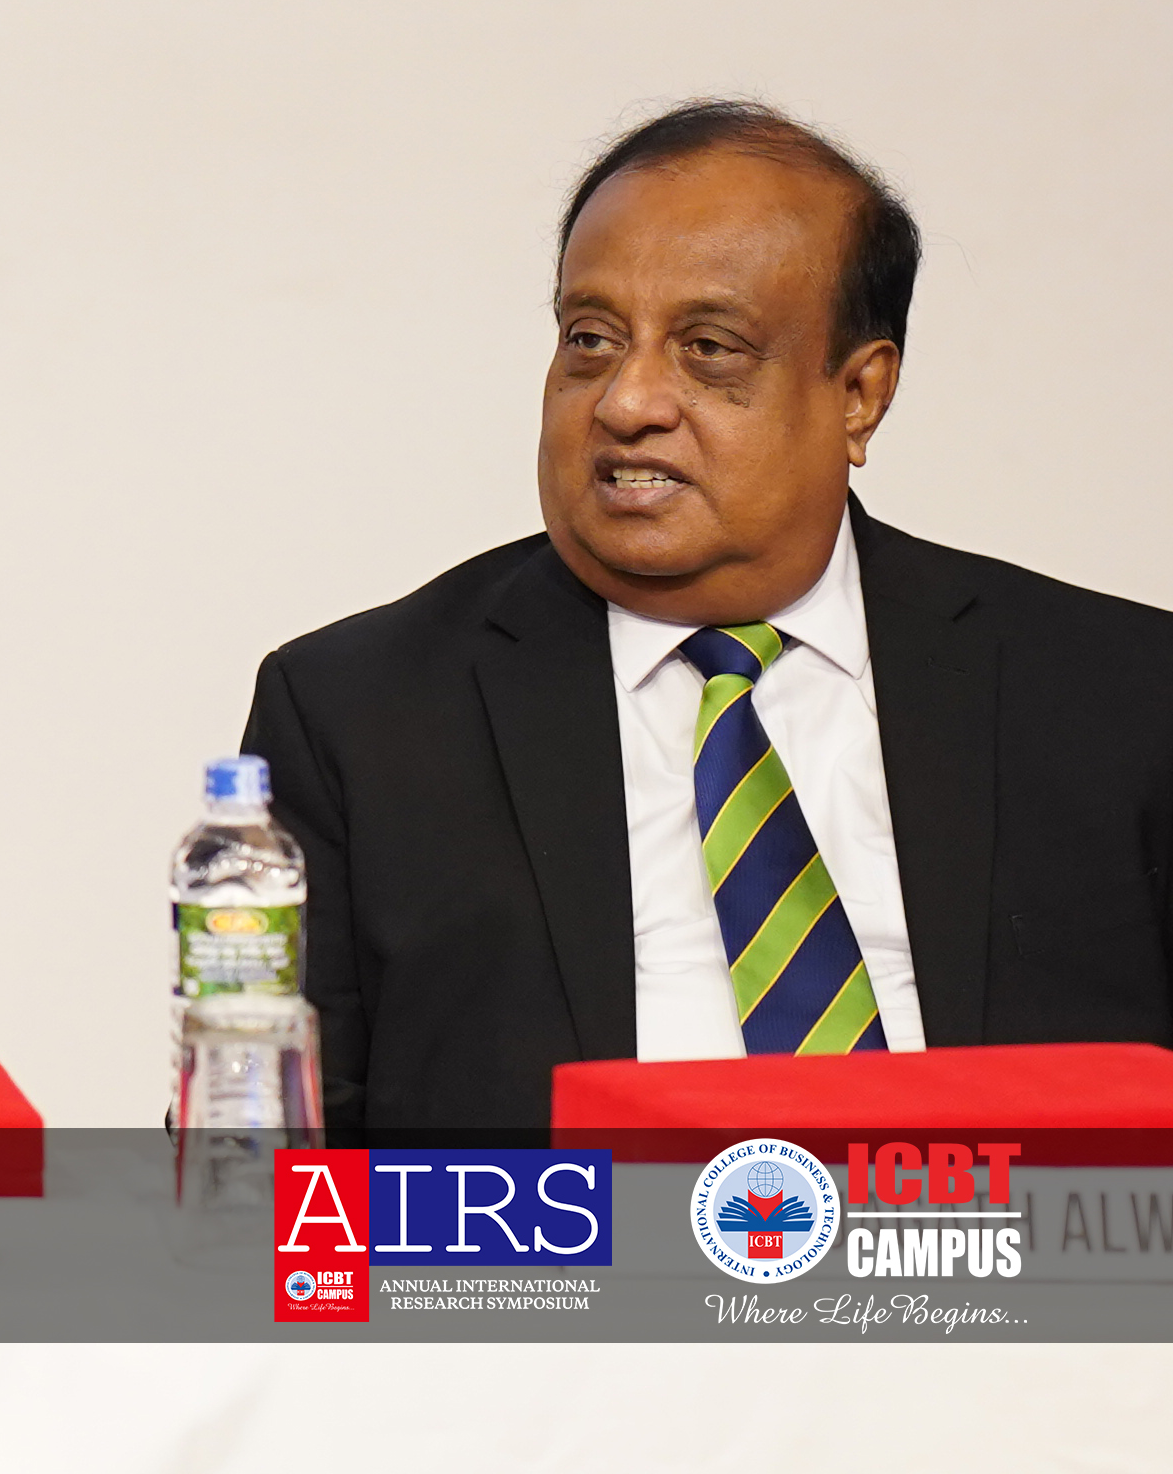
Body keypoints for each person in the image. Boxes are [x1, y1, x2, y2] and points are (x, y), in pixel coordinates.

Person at [242, 101, 1173, 1139]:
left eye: (709, 348)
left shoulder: (1122, 698)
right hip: (569, 1246)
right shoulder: (358, 716)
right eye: (590, 339)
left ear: (860, 394)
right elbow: (269, 1179)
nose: (626, 400)